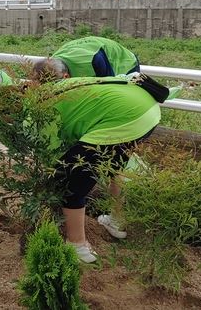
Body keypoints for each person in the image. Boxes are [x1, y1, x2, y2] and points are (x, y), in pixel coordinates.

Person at [32, 70, 161, 263]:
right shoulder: (66, 84)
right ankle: (116, 221)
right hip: (147, 111)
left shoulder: (38, 108)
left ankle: (77, 245)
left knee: (72, 182)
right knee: (115, 167)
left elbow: (51, 153)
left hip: (122, 118)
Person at [31, 36, 140, 81]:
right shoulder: (53, 62)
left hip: (125, 62)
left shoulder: (94, 60)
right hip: (88, 52)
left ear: (66, 77)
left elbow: (110, 86)